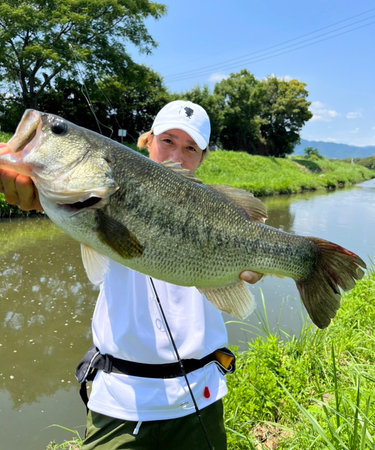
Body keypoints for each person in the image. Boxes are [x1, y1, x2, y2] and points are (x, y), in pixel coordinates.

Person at [0, 101, 261, 449]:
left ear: (202, 157)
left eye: (190, 148)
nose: (177, 156)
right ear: (146, 140)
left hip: (201, 396)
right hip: (120, 402)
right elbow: (74, 198)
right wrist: (38, 192)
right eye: (167, 140)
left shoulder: (218, 212)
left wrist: (255, 262)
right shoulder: (99, 193)